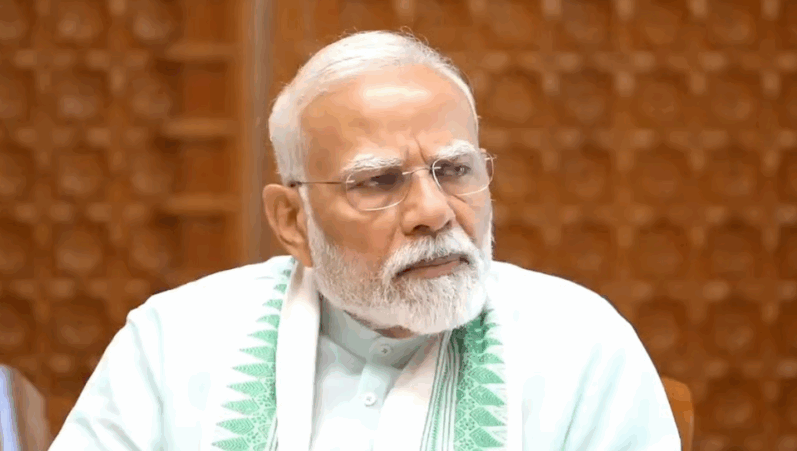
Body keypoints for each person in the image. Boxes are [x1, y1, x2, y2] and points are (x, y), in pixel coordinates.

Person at [48, 31, 680, 451]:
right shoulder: (174, 341)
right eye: (379, 181)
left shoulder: (582, 348)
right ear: (293, 221)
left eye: (455, 170)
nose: (434, 212)